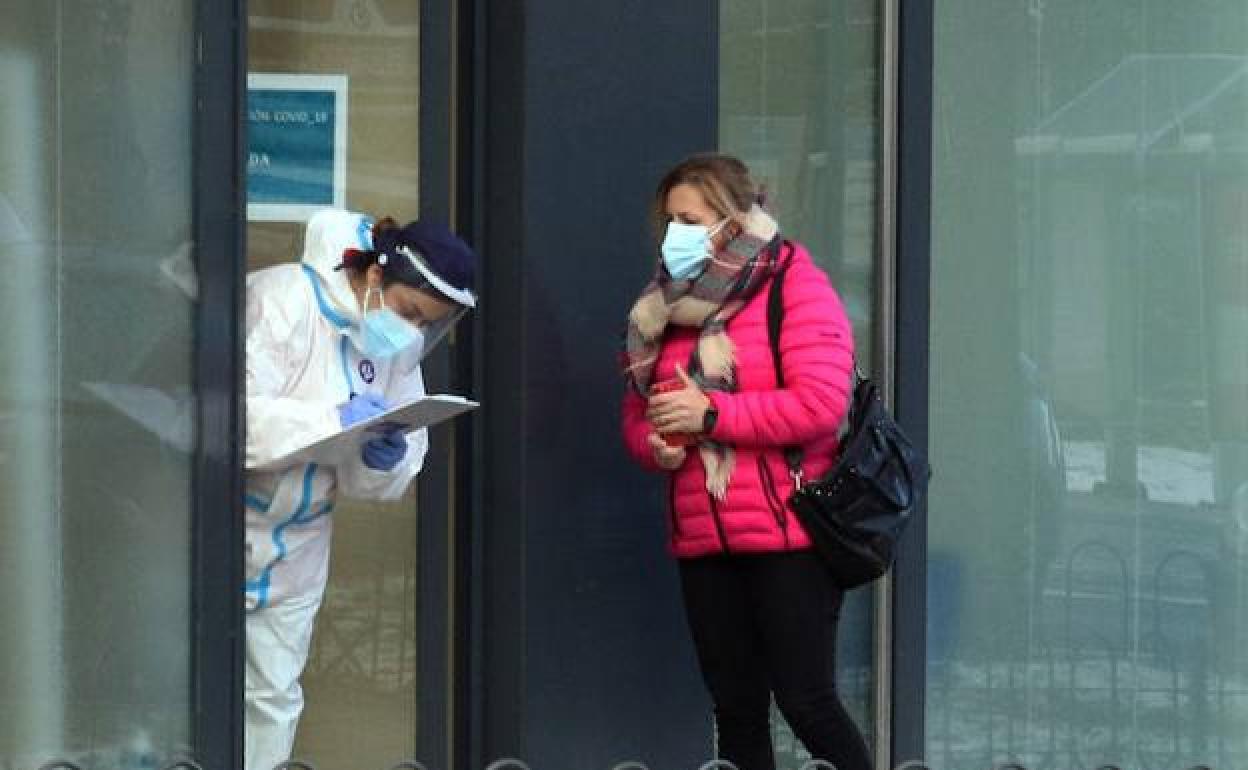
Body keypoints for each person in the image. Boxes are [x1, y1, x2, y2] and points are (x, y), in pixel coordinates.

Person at [620, 153, 870, 770]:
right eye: (670, 220)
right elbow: (638, 410)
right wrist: (653, 444)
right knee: (734, 708)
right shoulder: (661, 307)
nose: (676, 232)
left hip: (790, 532)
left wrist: (713, 417)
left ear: (733, 218)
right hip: (704, 536)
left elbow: (819, 405)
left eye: (691, 218)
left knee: (806, 700)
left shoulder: (793, 283)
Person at [244, 208, 476, 770]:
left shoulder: (393, 348)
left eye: (429, 324)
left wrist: (383, 459)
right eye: (412, 313)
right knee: (183, 690)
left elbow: (397, 458)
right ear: (376, 275)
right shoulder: (281, 300)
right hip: (222, 528)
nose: (413, 332)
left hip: (299, 542)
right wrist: (333, 418)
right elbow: (235, 424)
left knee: (272, 698)